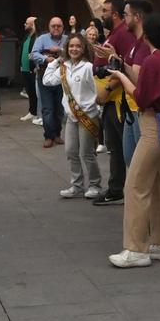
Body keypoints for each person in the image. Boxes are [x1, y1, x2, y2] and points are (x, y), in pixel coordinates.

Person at [106, 0, 160, 269]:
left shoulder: (152, 60)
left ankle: (136, 249)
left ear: (146, 34)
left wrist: (120, 76)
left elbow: (142, 96)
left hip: (152, 125)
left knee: (135, 185)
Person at [93, 0, 132, 207]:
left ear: (115, 14)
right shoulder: (114, 34)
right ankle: (116, 188)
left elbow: (123, 66)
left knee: (124, 148)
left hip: (117, 100)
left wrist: (107, 90)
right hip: (110, 102)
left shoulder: (124, 34)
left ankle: (129, 189)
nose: (103, 15)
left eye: (105, 11)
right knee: (114, 147)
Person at [56, 32, 103, 198]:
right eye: (71, 46)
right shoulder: (64, 67)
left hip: (87, 116)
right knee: (70, 151)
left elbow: (97, 91)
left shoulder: (89, 67)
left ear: (84, 49)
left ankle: (95, 185)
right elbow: (47, 81)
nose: (74, 49)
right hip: (71, 116)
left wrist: (91, 108)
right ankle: (76, 185)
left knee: (86, 152)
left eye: (78, 46)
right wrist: (54, 62)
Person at [32, 17, 69, 148]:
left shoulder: (67, 40)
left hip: (62, 77)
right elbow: (33, 54)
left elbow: (74, 54)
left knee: (59, 109)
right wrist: (46, 58)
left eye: (59, 26)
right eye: (53, 26)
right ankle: (48, 136)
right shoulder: (41, 39)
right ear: (49, 27)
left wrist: (60, 51)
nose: (56, 28)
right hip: (45, 78)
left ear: (63, 27)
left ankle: (57, 134)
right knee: (47, 109)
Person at [18, 14, 40, 124]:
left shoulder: (37, 37)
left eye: (26, 23)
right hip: (25, 68)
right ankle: (31, 112)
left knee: (35, 93)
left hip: (33, 69)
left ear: (32, 25)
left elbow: (36, 53)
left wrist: (35, 65)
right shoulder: (27, 36)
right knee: (30, 92)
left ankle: (36, 113)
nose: (24, 24)